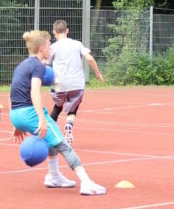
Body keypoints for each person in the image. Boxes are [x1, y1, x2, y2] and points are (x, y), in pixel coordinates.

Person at [9, 29, 106, 195]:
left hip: (16, 113)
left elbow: (13, 91)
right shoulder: (38, 66)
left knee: (50, 139)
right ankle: (86, 182)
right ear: (41, 48)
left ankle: (54, 176)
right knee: (63, 144)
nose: (50, 48)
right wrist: (41, 118)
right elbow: (34, 91)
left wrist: (17, 124)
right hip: (30, 113)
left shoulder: (22, 65)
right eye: (48, 45)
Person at [48, 19, 103, 145]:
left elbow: (45, 64)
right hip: (77, 83)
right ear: (67, 30)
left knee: (58, 107)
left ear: (54, 32)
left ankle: (48, 133)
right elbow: (89, 58)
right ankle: (69, 124)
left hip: (61, 83)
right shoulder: (77, 44)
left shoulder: (53, 48)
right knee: (73, 107)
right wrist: (97, 73)